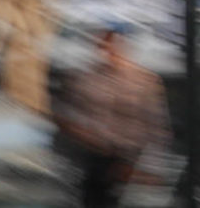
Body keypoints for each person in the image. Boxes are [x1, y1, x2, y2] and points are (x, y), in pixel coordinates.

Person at [59, 22, 167, 208]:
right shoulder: (84, 77)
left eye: (112, 44)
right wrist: (80, 132)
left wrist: (148, 168)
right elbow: (69, 114)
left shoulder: (143, 81)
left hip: (126, 156)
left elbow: (155, 126)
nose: (106, 50)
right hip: (92, 155)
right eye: (102, 44)